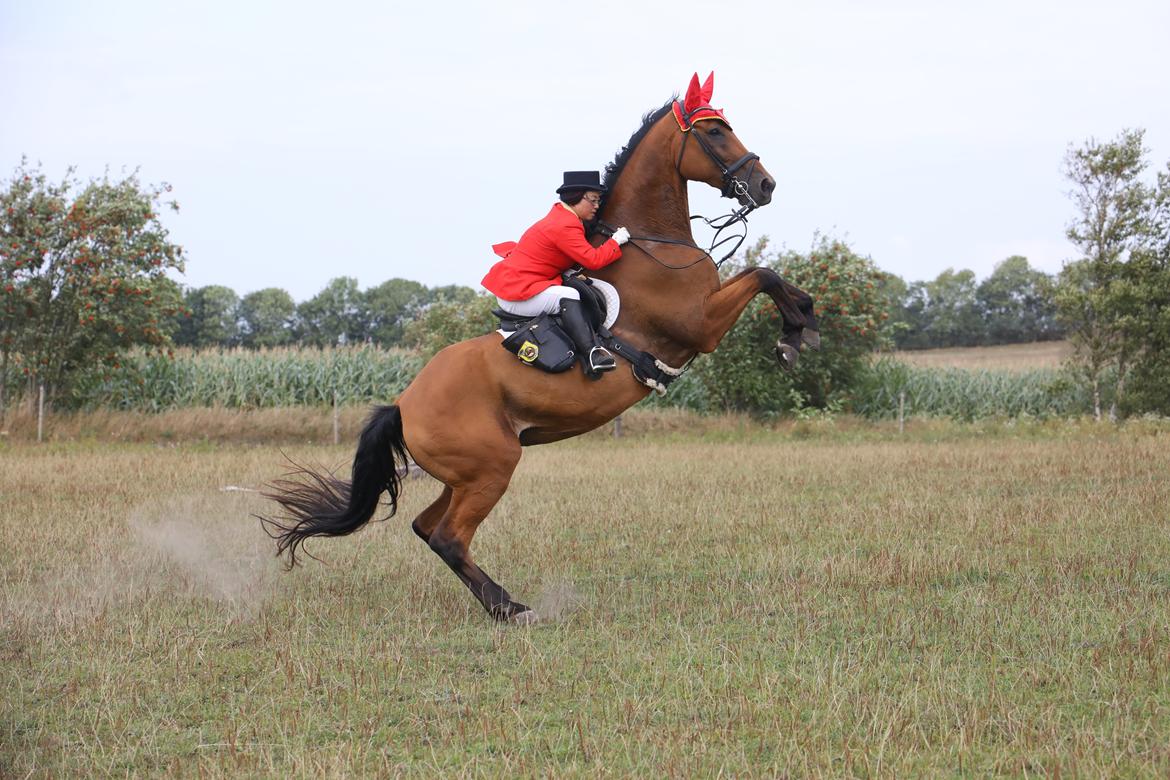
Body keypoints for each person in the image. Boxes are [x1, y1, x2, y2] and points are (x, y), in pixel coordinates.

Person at [482, 170, 630, 377]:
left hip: (524, 284)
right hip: (516, 294)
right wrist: (616, 242)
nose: (597, 205)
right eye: (593, 199)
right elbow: (593, 260)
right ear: (576, 197)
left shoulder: (562, 215)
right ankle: (592, 353)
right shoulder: (565, 224)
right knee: (569, 296)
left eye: (599, 200)